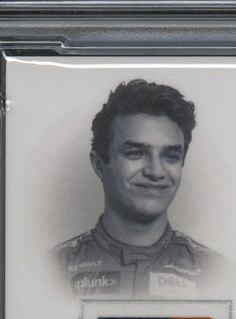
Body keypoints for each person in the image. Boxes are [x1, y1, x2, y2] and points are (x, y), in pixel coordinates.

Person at [55, 79, 218, 297]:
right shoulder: (55, 269)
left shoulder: (216, 271)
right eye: (136, 153)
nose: (155, 171)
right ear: (99, 165)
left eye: (170, 156)